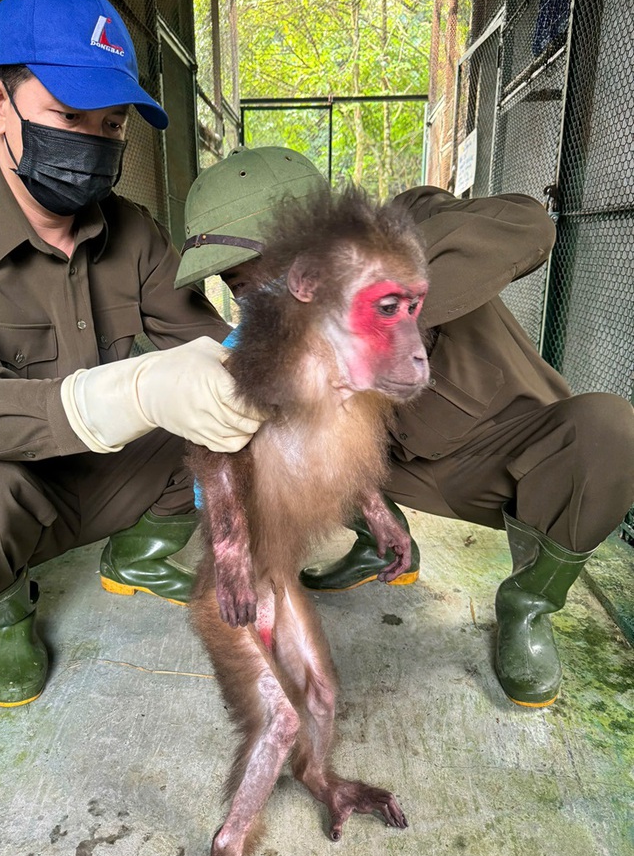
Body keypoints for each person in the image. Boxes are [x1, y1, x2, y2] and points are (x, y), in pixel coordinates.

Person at [174, 145, 634, 710]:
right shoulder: (260, 340)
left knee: (611, 427)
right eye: (239, 287)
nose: (259, 299)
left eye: (271, 274)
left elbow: (528, 225)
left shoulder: (405, 226)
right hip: (392, 472)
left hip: (502, 455)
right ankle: (377, 543)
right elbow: (221, 450)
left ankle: (529, 605)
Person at [0, 0, 261, 707]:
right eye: (69, 115)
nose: (93, 142)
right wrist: (141, 387)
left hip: (107, 478)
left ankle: (138, 555)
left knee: (225, 421)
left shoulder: (133, 229)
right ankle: (0, 617)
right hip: (5, 492)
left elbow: (214, 352)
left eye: (112, 124)